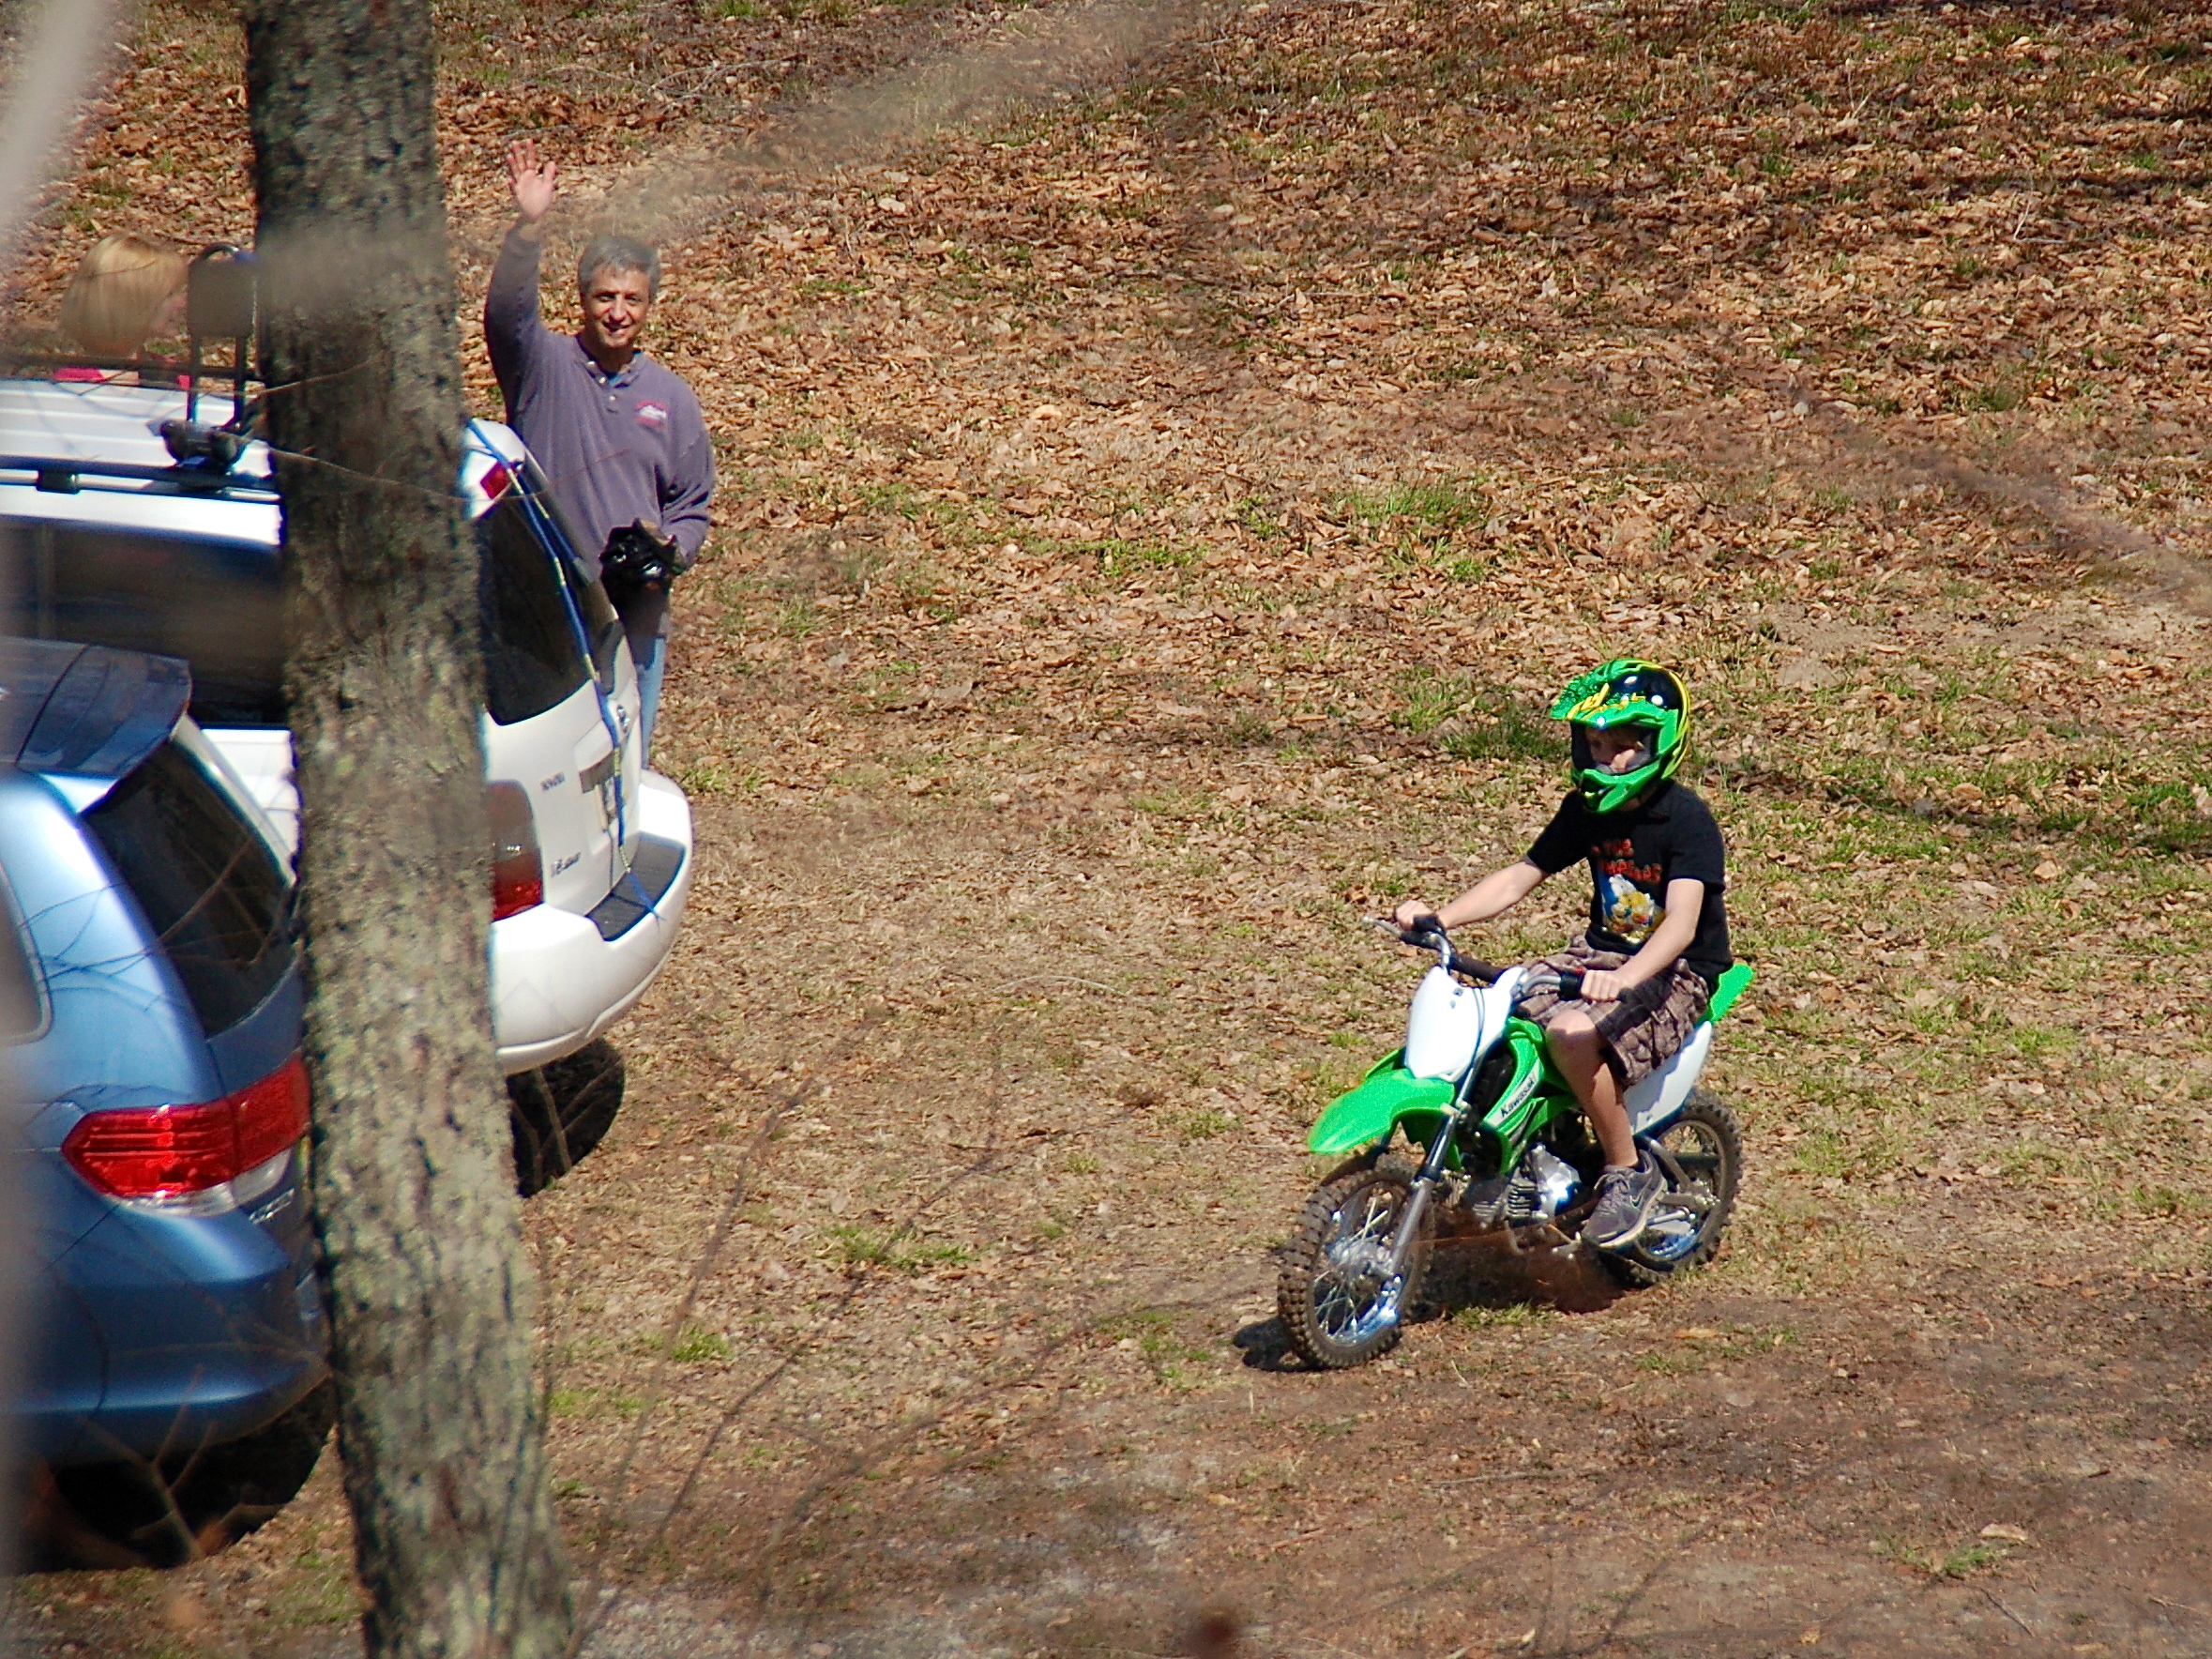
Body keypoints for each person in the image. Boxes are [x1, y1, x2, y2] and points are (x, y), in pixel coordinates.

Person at [1390, 659, 1732, 1252]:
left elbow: (1680, 925)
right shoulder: (1586, 810)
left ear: (1660, 745)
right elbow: (1520, 876)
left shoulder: (1686, 821)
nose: (1606, 758)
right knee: (1498, 1016)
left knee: (1571, 1035)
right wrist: (1440, 918)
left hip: (1675, 971)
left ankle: (1627, 1171)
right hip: (1600, 954)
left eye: (1622, 746)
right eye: (1595, 743)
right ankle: (1524, 1152)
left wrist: (1627, 976)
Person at [485, 137, 712, 753]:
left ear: (649, 306)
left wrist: (669, 552)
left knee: (627, 756)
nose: (617, 313)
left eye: (631, 299)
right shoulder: (542, 365)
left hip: (634, 614)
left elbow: (692, 504)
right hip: (549, 608)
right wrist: (528, 230)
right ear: (583, 301)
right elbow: (506, 316)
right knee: (556, 761)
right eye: (605, 297)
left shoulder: (672, 399)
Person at [56, 234, 188, 371]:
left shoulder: (174, 373)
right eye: (169, 294)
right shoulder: (74, 382)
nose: (183, 303)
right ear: (129, 303)